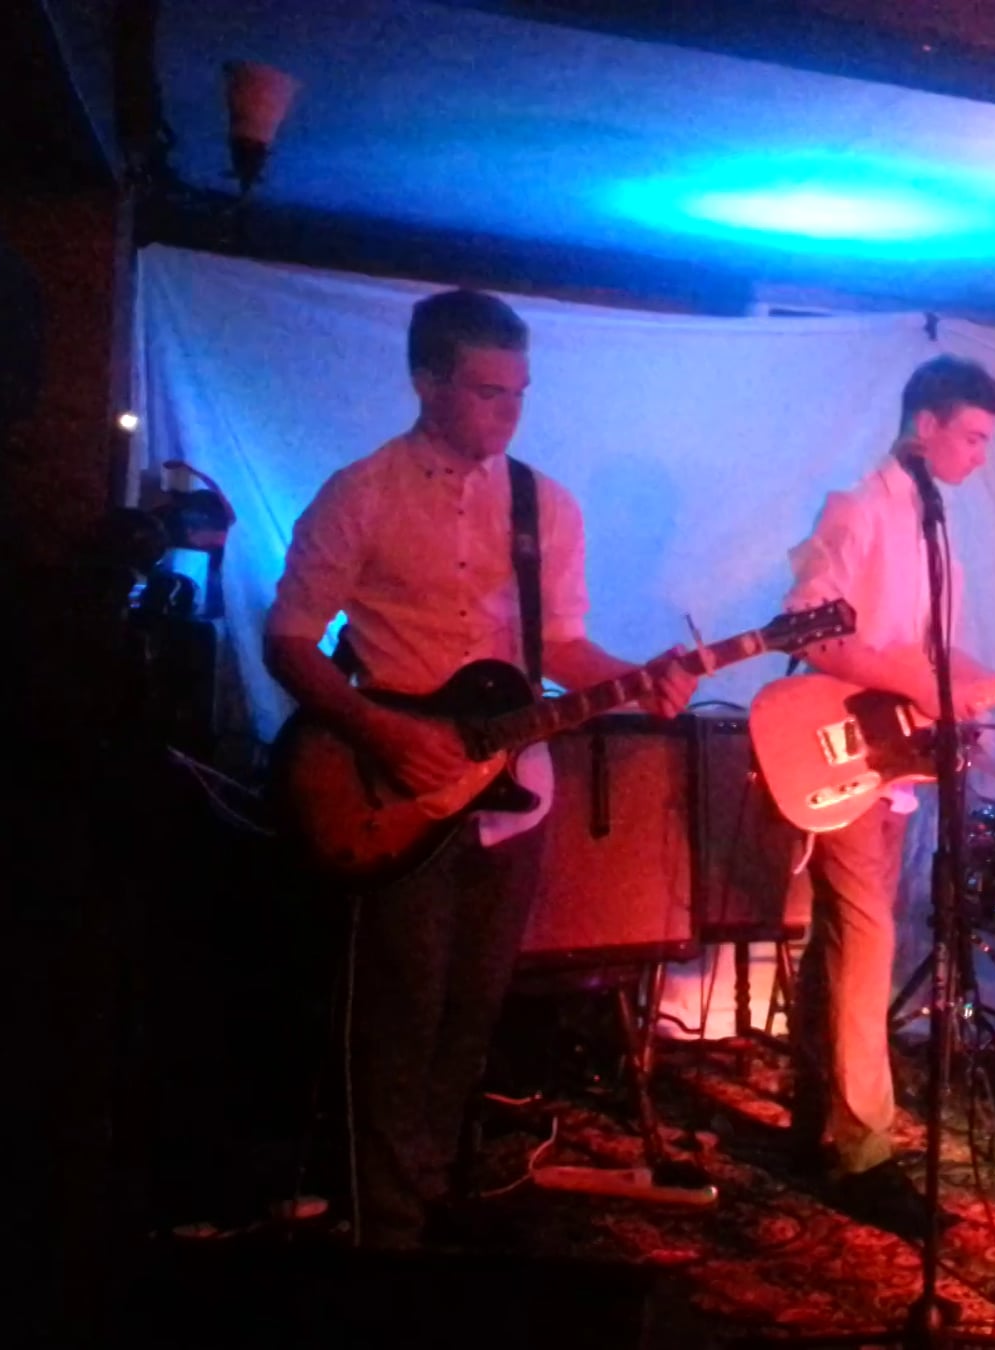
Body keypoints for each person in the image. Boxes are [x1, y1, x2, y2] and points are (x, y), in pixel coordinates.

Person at [265, 289, 698, 1249]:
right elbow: (288, 641)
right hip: (398, 784)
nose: (508, 413)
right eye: (487, 392)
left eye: (519, 393)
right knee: (401, 1008)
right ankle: (384, 1232)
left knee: (472, 1011)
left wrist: (643, 678)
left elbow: (563, 646)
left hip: (514, 793)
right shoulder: (361, 493)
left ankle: (430, 1202)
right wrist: (379, 731)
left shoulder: (546, 506)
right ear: (427, 381)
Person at [780, 354, 995, 1234]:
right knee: (865, 941)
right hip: (837, 750)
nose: (981, 455)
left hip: (888, 762)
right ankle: (863, 1150)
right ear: (927, 424)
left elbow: (935, 658)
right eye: (973, 437)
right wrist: (912, 678)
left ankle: (817, 1124)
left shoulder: (934, 529)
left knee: (849, 943)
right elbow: (806, 630)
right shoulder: (859, 509)